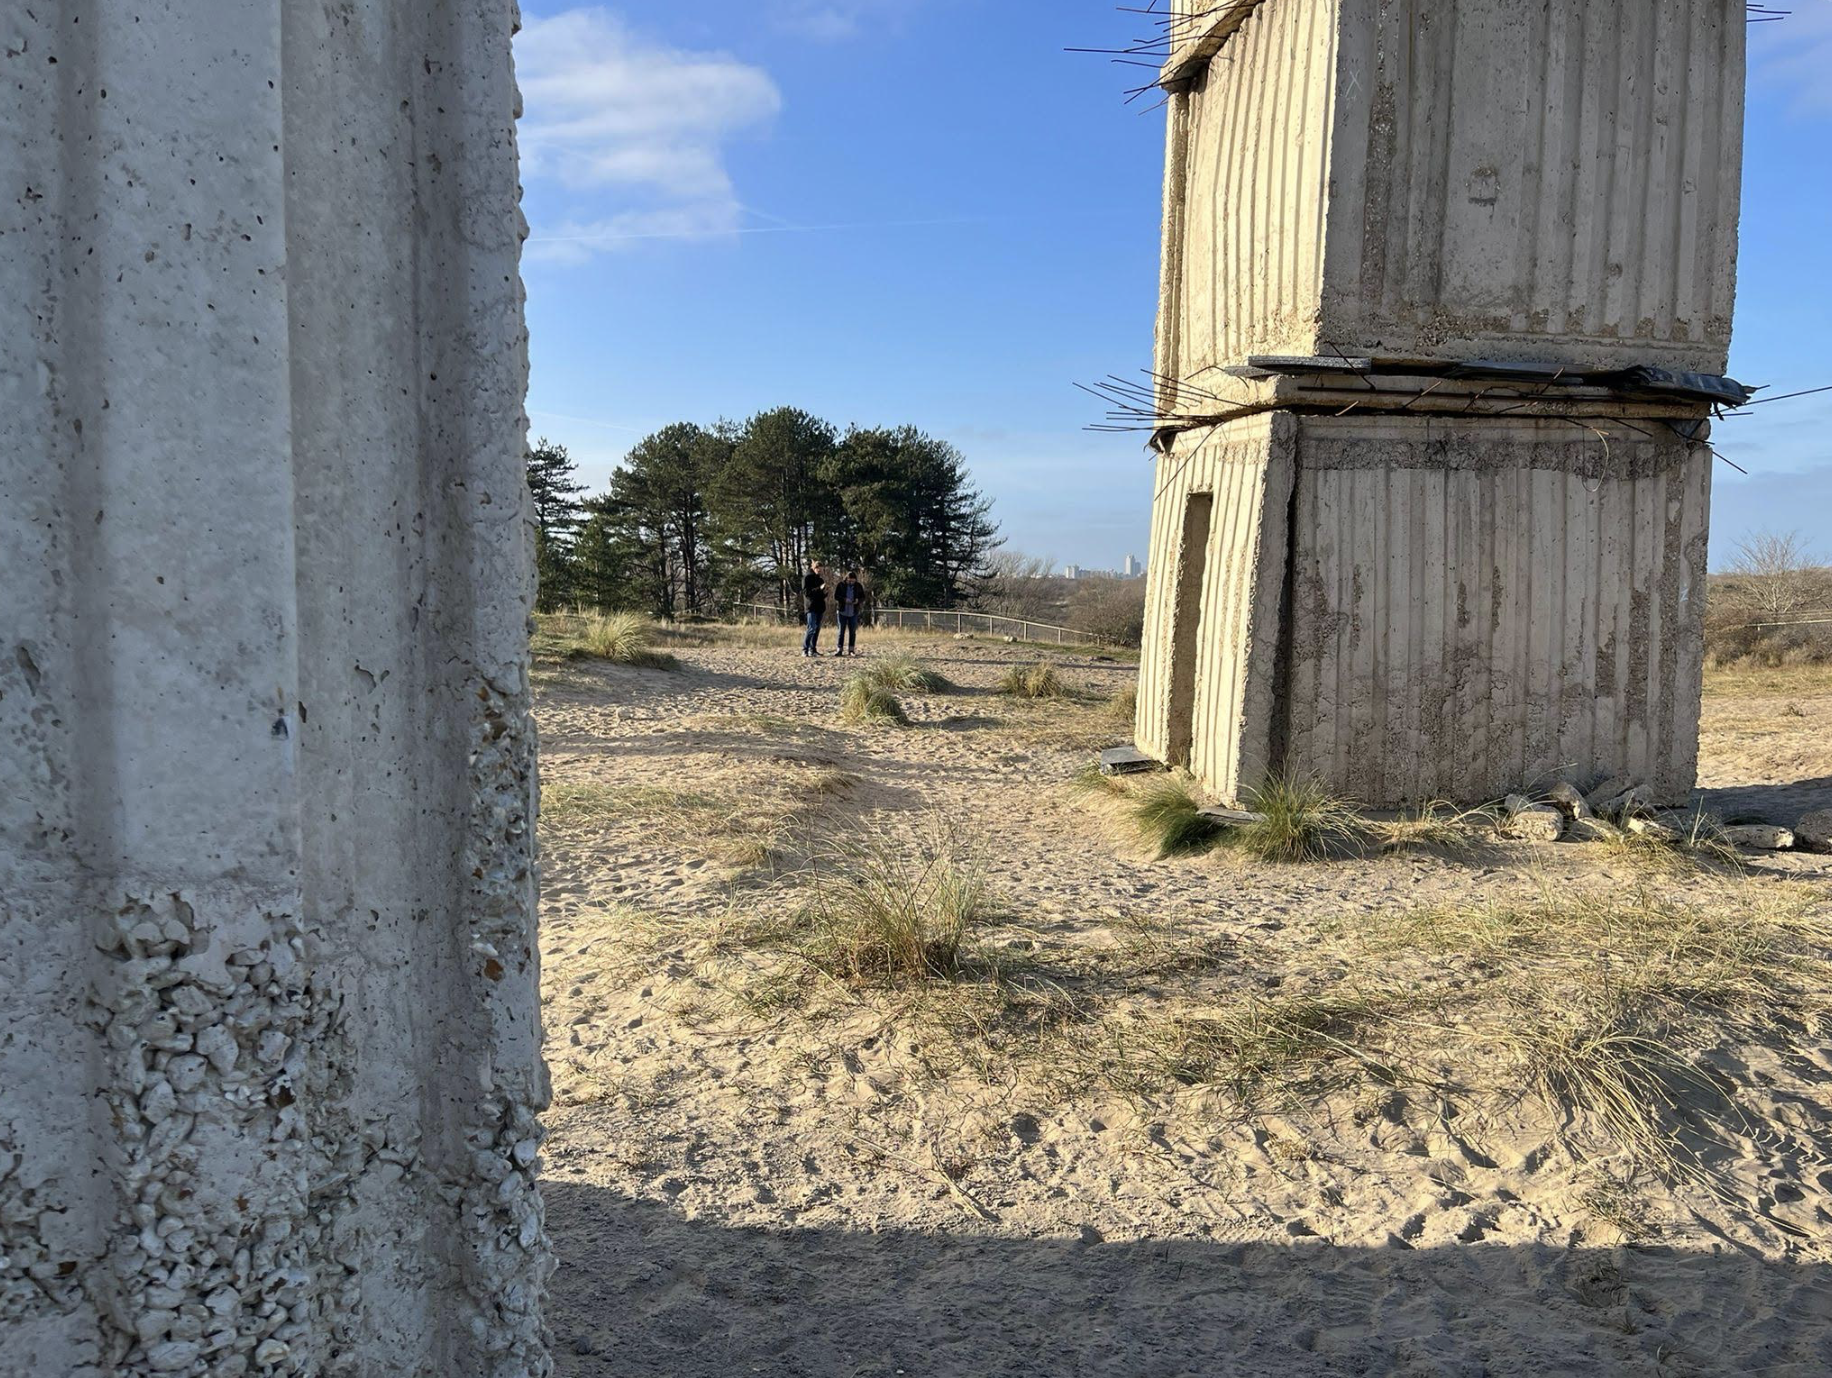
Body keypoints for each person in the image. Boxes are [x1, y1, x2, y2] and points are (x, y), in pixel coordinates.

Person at [832, 568, 865, 656]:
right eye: (849, 580)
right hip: (842, 611)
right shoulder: (841, 585)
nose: (851, 582)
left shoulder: (858, 586)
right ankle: (839, 649)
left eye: (853, 580)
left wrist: (858, 600)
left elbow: (863, 597)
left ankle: (851, 649)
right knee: (841, 631)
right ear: (846, 579)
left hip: (853, 612)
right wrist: (844, 599)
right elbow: (836, 596)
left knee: (852, 631)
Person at [801, 560, 827, 657]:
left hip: (819, 607)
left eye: (821, 570)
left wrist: (824, 594)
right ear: (814, 568)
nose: (819, 571)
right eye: (818, 569)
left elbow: (819, 595)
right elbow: (807, 593)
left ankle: (813, 649)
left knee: (816, 629)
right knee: (811, 628)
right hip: (810, 607)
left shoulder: (820, 580)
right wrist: (819, 589)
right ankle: (805, 649)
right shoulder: (807, 578)